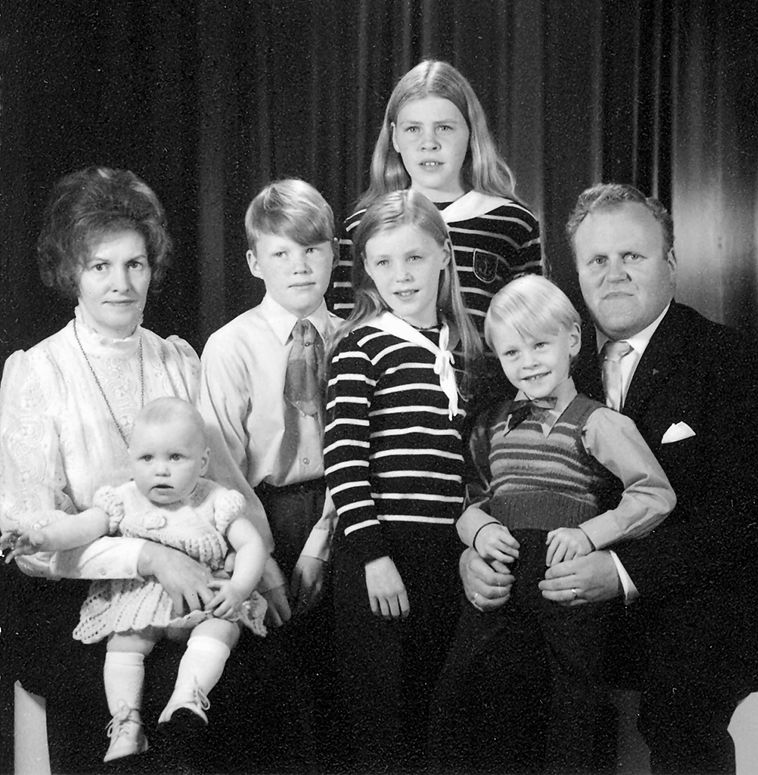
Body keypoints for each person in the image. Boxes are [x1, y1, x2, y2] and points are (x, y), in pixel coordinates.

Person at [461, 183, 758, 774]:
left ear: (670, 262)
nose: (613, 274)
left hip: (689, 595)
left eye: (632, 256)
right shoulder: (543, 359)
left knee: (678, 695)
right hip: (559, 590)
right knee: (487, 681)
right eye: (597, 259)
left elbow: (746, 517)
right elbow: (498, 485)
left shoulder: (728, 359)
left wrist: (619, 572)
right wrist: (476, 556)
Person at [0, 166, 279, 773]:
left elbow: (224, 481)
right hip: (79, 594)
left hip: (199, 579)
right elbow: (33, 545)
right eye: (100, 266)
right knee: (136, 698)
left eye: (135, 264)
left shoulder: (178, 359)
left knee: (256, 678)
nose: (121, 284)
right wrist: (150, 558)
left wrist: (264, 572)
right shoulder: (39, 372)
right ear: (71, 272)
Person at [432, 273, 675, 774]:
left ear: (573, 341)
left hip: (562, 579)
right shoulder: (492, 425)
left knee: (572, 705)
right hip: (502, 576)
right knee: (465, 692)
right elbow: (473, 500)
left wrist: (590, 534)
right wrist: (478, 531)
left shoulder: (598, 421)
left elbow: (654, 493)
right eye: (512, 352)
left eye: (540, 345)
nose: (528, 362)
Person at [2, 397, 268, 764]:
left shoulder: (215, 500)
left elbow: (252, 544)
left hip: (204, 597)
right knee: (125, 642)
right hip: (140, 602)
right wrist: (42, 537)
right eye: (147, 459)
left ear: (203, 462)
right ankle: (126, 722)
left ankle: (188, 698)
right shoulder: (122, 499)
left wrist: (238, 588)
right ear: (131, 461)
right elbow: (81, 528)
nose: (161, 471)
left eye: (176, 458)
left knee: (221, 628)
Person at [323, 189, 483, 773]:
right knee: (382, 720)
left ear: (443, 255)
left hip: (446, 555)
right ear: (366, 269)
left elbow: (466, 464)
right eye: (384, 262)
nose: (401, 275)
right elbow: (344, 460)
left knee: (434, 713)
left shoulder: (465, 349)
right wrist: (373, 556)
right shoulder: (361, 346)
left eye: (414, 257)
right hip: (380, 554)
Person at [198, 177, 342, 769]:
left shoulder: (359, 338)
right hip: (260, 519)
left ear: (334, 253)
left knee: (345, 684)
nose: (299, 266)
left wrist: (323, 542)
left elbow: (363, 455)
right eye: (281, 253)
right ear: (255, 263)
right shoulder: (229, 347)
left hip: (343, 510)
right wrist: (264, 563)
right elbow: (222, 468)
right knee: (279, 692)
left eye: (311, 249)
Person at [327, 59, 542, 349]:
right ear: (395, 137)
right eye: (413, 129)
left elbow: (535, 329)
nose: (429, 143)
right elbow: (346, 330)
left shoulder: (513, 223)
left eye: (444, 127)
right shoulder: (361, 226)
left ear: (471, 133)